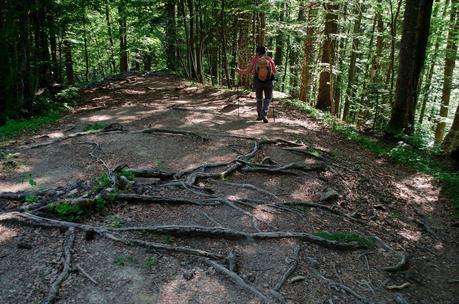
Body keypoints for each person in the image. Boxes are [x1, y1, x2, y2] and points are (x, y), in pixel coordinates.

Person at [236, 45, 276, 123]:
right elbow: (274, 71)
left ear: (257, 52)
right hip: (268, 82)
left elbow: (247, 71)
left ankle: (259, 115)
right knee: (268, 98)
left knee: (259, 98)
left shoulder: (255, 60)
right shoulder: (269, 59)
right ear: (265, 52)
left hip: (258, 82)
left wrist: (238, 70)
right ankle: (264, 113)